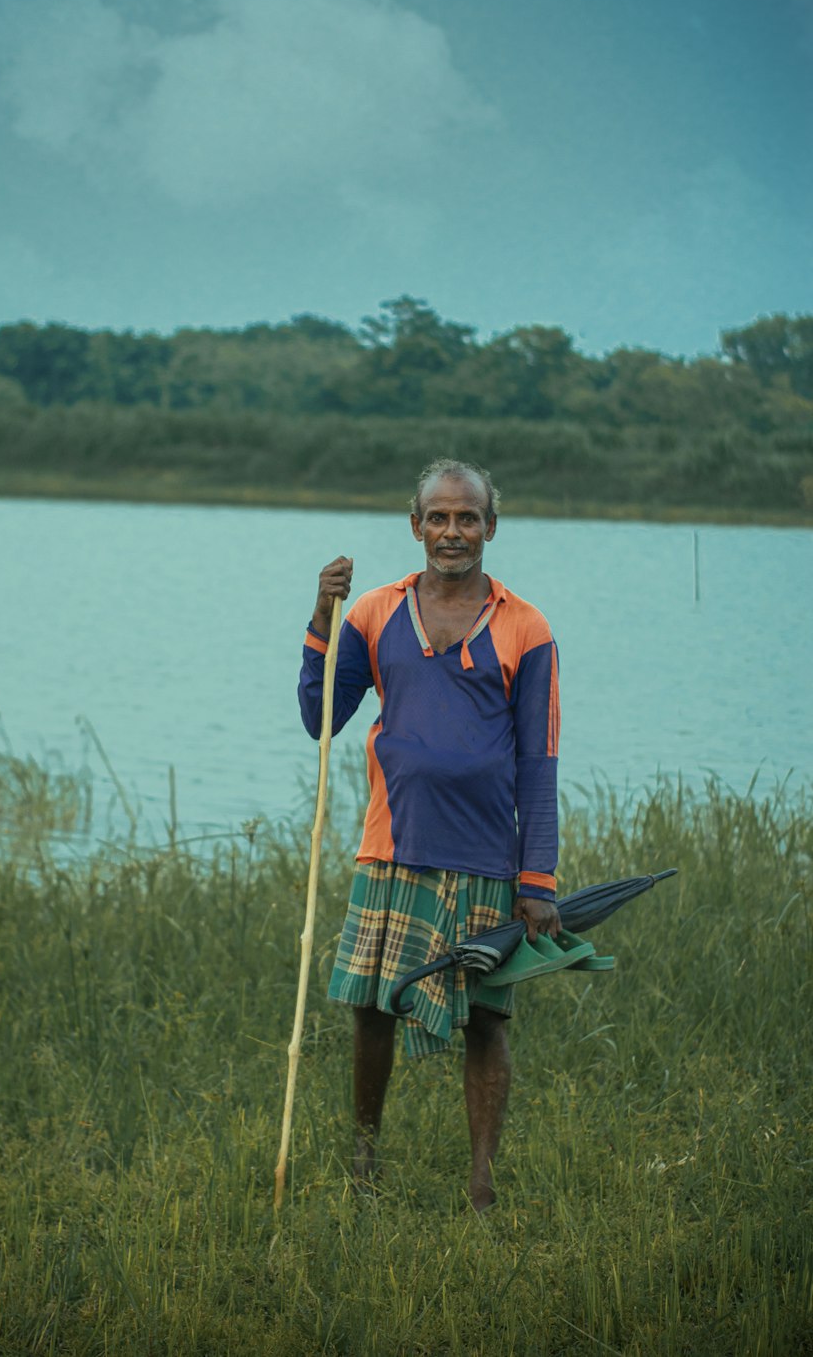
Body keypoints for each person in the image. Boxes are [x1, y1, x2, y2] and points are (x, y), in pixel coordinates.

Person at [298, 457, 561, 1212]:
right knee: (372, 1009)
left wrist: (536, 879)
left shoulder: (525, 626)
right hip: (393, 845)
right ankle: (365, 1156)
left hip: (484, 859)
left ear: (491, 528)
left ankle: (481, 1185)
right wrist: (322, 619)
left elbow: (539, 761)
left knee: (485, 1019)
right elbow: (321, 719)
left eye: (468, 517)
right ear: (415, 527)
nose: (453, 531)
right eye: (438, 518)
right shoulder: (375, 612)